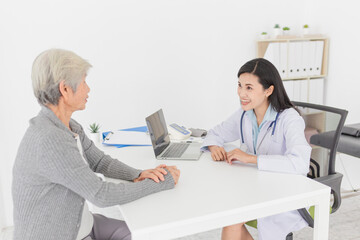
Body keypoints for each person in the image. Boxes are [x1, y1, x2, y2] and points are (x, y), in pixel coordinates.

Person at [12, 48, 180, 240]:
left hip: (83, 225)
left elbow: (100, 162)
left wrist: (138, 175)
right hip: (63, 235)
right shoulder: (49, 140)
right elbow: (101, 195)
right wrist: (159, 183)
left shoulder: (68, 126)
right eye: (84, 82)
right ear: (65, 89)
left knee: (145, 234)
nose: (88, 89)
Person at [201, 58, 311, 240]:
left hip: (283, 191)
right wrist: (214, 147)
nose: (241, 93)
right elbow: (214, 133)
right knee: (229, 215)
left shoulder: (289, 119)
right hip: (255, 185)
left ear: (268, 90)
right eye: (239, 85)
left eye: (249, 88)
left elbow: (300, 163)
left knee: (232, 218)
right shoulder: (245, 113)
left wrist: (250, 158)